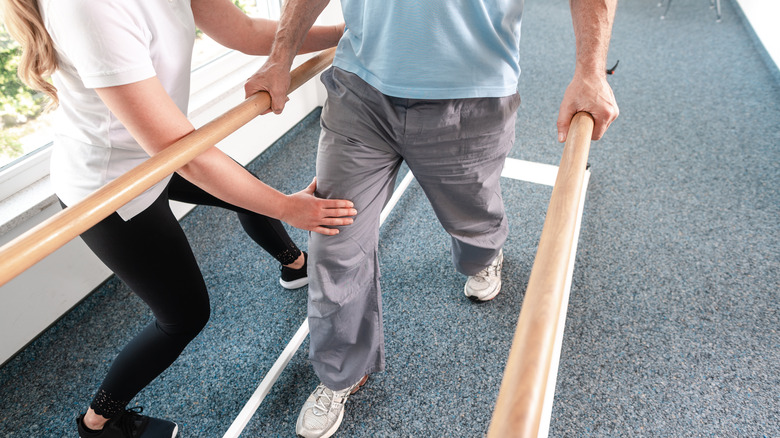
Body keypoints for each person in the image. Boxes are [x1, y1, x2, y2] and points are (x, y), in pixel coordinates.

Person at [244, 0, 619, 436]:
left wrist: (591, 71)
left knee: (472, 217)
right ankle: (340, 372)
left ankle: (484, 256)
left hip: (471, 97)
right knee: (334, 244)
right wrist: (279, 57)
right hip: (360, 92)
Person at [2, 0, 356, 437]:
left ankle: (295, 265)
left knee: (247, 192)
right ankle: (100, 423)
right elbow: (186, 155)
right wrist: (288, 207)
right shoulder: (88, 9)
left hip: (158, 153)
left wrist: (344, 32)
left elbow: (243, 30)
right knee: (184, 317)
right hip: (112, 188)